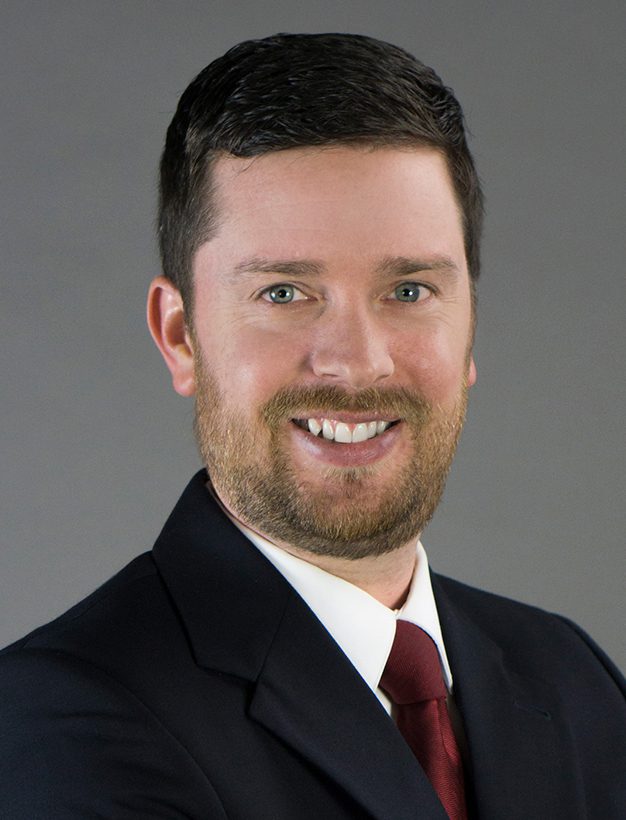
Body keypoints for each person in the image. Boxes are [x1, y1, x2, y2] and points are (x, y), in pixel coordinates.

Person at [1, 32, 624, 820]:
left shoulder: (571, 679)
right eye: (286, 294)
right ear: (180, 335)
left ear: (470, 325)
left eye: (409, 290)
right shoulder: (64, 719)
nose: (358, 365)